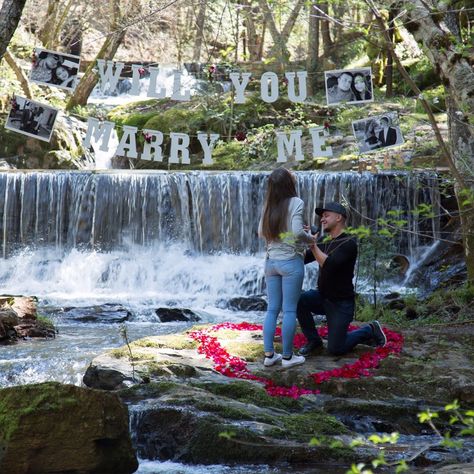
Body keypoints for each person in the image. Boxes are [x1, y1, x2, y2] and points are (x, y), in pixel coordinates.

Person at [297, 202, 387, 357]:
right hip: (322, 298)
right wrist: (300, 239)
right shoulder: (325, 241)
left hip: (341, 304)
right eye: (321, 217)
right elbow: (302, 259)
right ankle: (314, 341)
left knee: (335, 349)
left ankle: (370, 329)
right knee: (299, 300)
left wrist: (312, 245)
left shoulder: (348, 243)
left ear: (338, 217)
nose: (322, 220)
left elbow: (329, 265)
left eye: (326, 216)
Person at [258, 168, 316, 368]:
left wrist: (280, 234)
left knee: (272, 309)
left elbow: (260, 232)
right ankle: (288, 357)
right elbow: (298, 232)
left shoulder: (269, 205)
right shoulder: (296, 202)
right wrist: (311, 239)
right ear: (288, 184)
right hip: (291, 261)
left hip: (271, 262)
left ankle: (269, 355)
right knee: (290, 310)